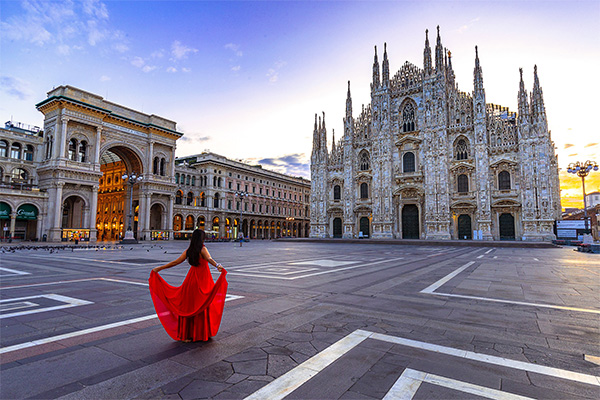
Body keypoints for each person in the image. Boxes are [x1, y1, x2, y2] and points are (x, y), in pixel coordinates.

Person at [149, 229, 228, 342]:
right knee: (202, 305)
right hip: (203, 280)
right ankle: (201, 333)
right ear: (202, 238)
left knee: (189, 306)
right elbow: (209, 259)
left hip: (191, 280)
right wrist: (218, 266)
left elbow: (175, 262)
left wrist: (159, 268)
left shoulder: (189, 251)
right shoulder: (203, 249)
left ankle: (186, 335)